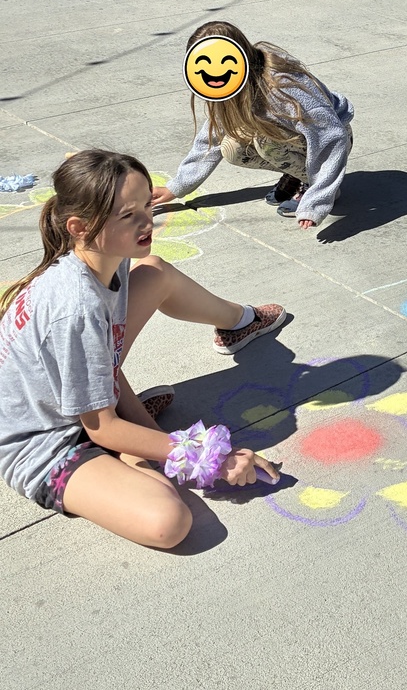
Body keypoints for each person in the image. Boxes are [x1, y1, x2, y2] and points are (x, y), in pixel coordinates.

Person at [0, 149, 285, 548]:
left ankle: (239, 323)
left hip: (80, 405)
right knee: (168, 521)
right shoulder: (74, 307)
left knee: (153, 271)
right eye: (127, 215)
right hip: (45, 444)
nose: (146, 221)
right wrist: (206, 456)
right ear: (79, 226)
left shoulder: (105, 254)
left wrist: (151, 436)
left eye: (147, 203)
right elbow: (103, 426)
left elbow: (106, 359)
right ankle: (127, 454)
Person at [152, 21, 354, 229]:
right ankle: (298, 173)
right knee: (233, 148)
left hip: (333, 136)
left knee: (264, 141)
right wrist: (176, 187)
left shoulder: (282, 87)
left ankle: (312, 182)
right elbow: (211, 138)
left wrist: (318, 200)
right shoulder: (231, 84)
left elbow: (331, 136)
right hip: (293, 138)